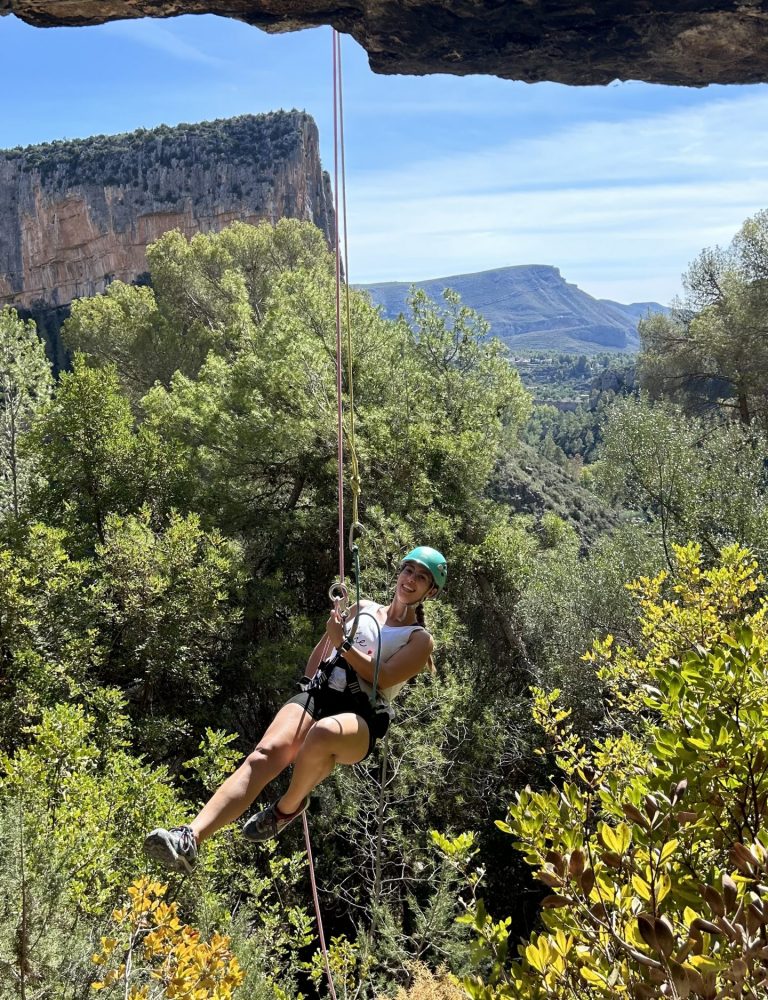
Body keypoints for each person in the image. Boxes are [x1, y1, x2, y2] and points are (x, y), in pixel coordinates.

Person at [143, 546, 448, 872]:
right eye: (408, 570)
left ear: (430, 590)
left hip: (361, 716)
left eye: (421, 577)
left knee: (324, 732)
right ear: (399, 573)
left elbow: (382, 675)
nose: (410, 580)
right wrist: (309, 680)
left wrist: (343, 643)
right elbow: (322, 650)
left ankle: (287, 808)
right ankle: (190, 838)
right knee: (264, 755)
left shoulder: (419, 639)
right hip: (321, 691)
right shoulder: (363, 608)